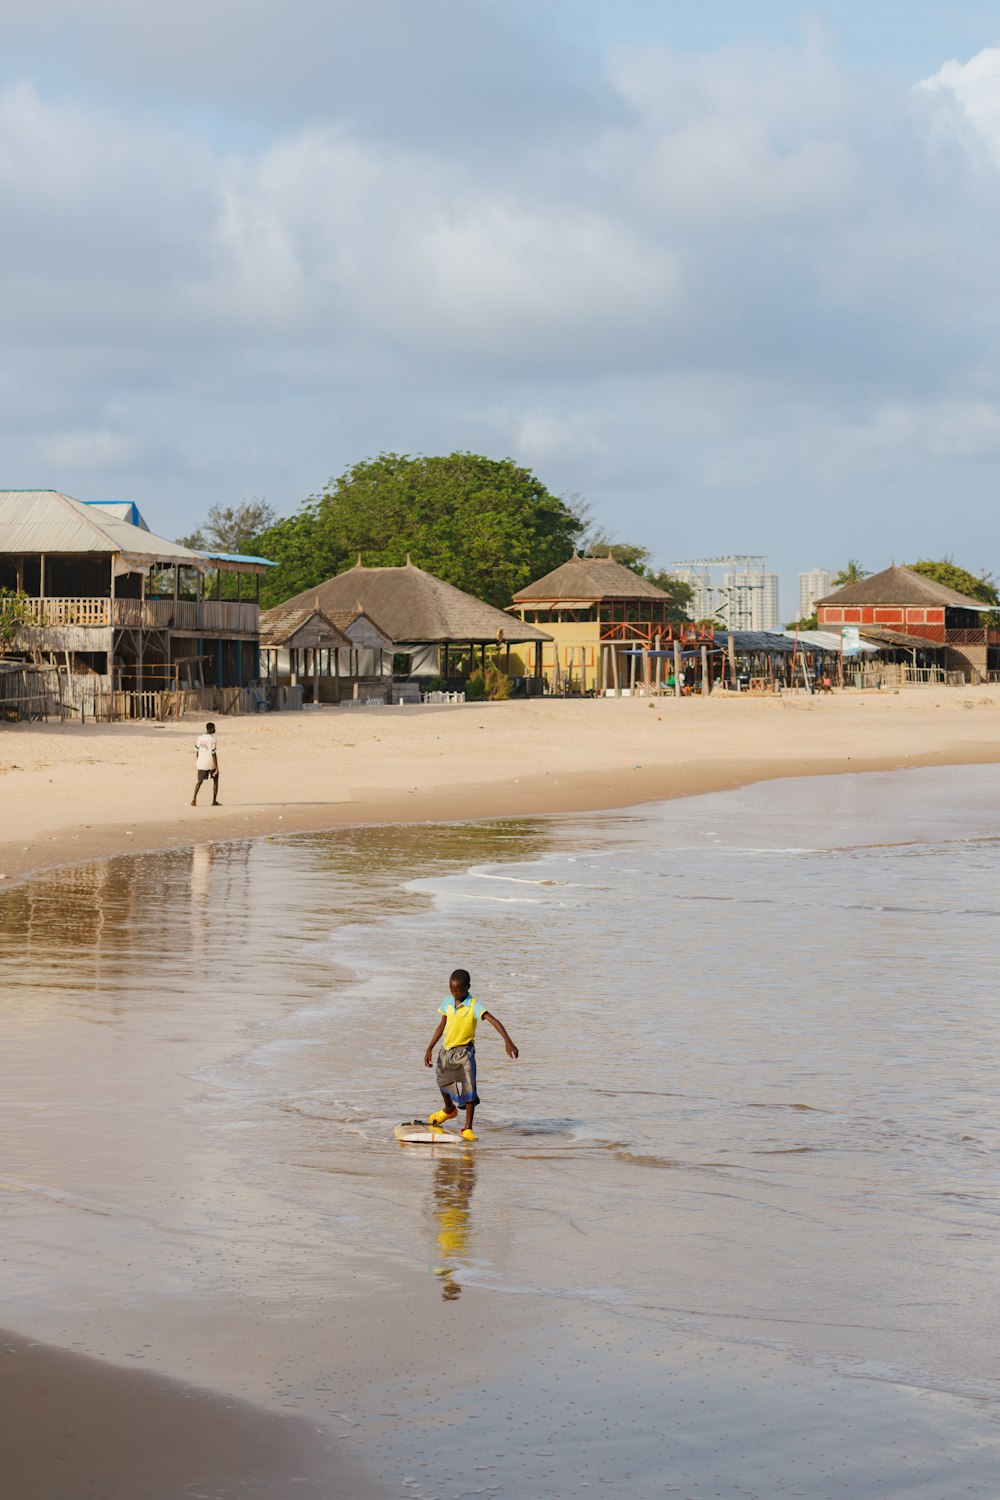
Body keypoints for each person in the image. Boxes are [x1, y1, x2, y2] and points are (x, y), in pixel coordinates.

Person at [424, 968, 518, 1141]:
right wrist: (430, 1047)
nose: (454, 993)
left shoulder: (474, 1005)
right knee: (442, 1080)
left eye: (458, 990)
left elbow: (493, 1020)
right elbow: (442, 1025)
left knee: (469, 1087)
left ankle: (467, 1128)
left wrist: (508, 1041)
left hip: (465, 1052)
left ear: (468, 987)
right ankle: (448, 1110)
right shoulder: (448, 1002)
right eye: (452, 990)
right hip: (447, 1050)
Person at [191, 721, 220, 807]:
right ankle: (214, 801)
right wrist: (217, 767)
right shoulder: (213, 739)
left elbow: (197, 751)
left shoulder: (199, 738)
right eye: (214, 728)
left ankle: (194, 799)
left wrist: (198, 760)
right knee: (215, 780)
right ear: (210, 729)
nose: (215, 729)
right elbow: (214, 754)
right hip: (210, 763)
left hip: (201, 763)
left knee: (199, 782)